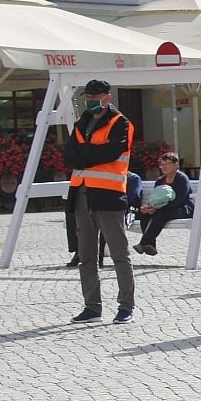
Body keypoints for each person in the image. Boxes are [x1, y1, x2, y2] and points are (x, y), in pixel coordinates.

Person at [62, 79, 136, 325]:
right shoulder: (81, 123)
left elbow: (111, 152)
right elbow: (69, 156)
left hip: (108, 194)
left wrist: (84, 153)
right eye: (88, 96)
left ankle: (126, 307)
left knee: (119, 254)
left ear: (107, 97)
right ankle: (92, 307)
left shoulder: (121, 123)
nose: (91, 100)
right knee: (86, 256)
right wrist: (92, 154)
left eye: (95, 96)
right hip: (81, 193)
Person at [134, 152, 193, 256]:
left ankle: (143, 243)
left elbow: (179, 200)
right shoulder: (160, 181)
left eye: (166, 164)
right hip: (163, 208)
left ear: (176, 164)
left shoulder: (182, 179)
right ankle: (150, 245)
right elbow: (156, 198)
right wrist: (149, 207)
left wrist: (156, 208)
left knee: (162, 213)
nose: (163, 167)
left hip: (183, 208)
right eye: (161, 165)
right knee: (145, 213)